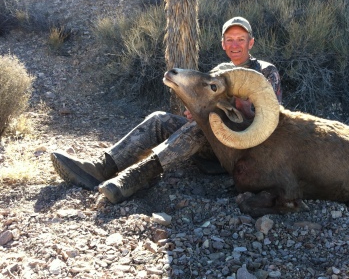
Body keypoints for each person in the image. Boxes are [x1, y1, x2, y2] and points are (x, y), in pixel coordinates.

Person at [51, 17, 282, 204]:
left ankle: (132, 179)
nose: (235, 45)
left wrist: (247, 113)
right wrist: (193, 110)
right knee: (158, 120)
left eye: (240, 39)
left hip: (242, 151)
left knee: (200, 129)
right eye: (229, 39)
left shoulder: (265, 72)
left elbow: (274, 120)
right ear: (223, 44)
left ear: (250, 43)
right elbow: (202, 100)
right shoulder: (218, 71)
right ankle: (101, 167)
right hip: (211, 143)